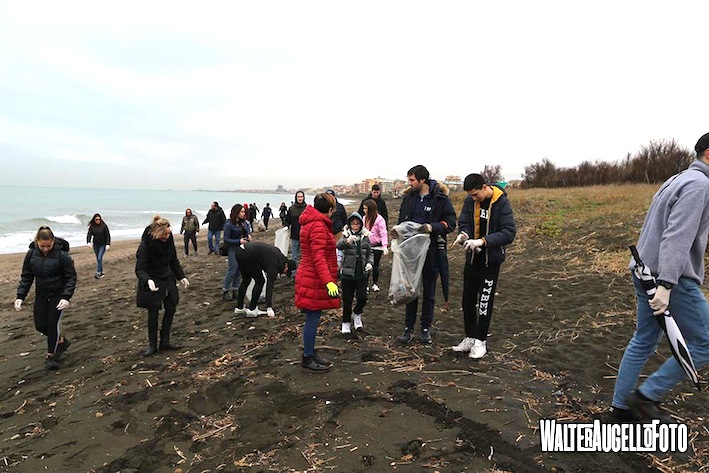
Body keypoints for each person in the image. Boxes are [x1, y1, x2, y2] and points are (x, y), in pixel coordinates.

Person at [610, 133, 709, 422]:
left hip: (644, 272)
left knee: (643, 339)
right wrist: (666, 284)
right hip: (668, 280)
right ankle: (644, 396)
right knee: (706, 342)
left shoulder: (677, 179)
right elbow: (676, 236)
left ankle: (621, 409)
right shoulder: (700, 185)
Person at [451, 173, 516, 359]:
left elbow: (509, 232)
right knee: (467, 300)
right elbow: (464, 221)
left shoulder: (501, 203)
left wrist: (482, 241)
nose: (473, 198)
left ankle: (481, 341)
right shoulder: (469, 202)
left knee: (484, 301)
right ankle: (470, 337)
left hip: (491, 260)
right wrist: (464, 234)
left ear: (485, 187)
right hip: (472, 259)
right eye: (470, 195)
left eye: (475, 195)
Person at [397, 165, 456, 345]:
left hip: (432, 252)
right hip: (411, 252)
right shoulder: (409, 198)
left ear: (422, 180)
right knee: (411, 290)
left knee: (429, 291)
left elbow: (451, 223)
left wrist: (434, 227)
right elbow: (402, 221)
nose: (410, 183)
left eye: (412, 180)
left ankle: (425, 329)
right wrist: (397, 232)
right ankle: (408, 328)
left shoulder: (440, 198)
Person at [15, 227, 77, 370]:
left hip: (58, 295)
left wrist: (66, 297)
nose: (45, 249)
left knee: (52, 324)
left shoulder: (63, 256)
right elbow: (27, 276)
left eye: (48, 246)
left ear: (53, 241)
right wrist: (20, 296)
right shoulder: (31, 255)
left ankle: (51, 356)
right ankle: (60, 341)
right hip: (41, 294)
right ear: (37, 242)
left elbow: (71, 277)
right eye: (42, 246)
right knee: (40, 325)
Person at [295, 192, 340, 372]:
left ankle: (310, 353)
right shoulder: (319, 226)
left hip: (309, 274)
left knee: (313, 317)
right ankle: (307, 357)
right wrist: (329, 282)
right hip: (313, 277)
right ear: (329, 210)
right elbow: (318, 257)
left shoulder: (311, 223)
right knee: (312, 318)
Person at [135, 216, 190, 356]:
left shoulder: (169, 239)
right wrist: (147, 280)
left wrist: (181, 276)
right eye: (165, 234)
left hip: (167, 277)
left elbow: (173, 260)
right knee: (153, 312)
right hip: (152, 278)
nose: (167, 235)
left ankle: (165, 340)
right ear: (157, 232)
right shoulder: (145, 245)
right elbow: (140, 268)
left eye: (169, 233)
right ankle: (152, 345)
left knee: (171, 307)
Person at [234, 242, 297, 318]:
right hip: (247, 254)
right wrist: (269, 307)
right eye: (286, 272)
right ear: (286, 266)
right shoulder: (274, 265)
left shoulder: (278, 255)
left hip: (240, 250)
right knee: (260, 281)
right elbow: (269, 285)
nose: (284, 273)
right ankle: (252, 309)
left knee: (246, 280)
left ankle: (239, 308)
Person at [337, 212, 374, 335]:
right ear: (349, 224)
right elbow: (338, 245)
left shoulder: (365, 236)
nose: (355, 226)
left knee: (362, 298)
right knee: (347, 301)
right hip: (348, 274)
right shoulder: (345, 235)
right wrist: (347, 241)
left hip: (361, 274)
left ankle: (357, 314)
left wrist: (370, 263)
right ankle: (346, 322)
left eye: (357, 223)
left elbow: (370, 253)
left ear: (361, 224)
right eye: (353, 224)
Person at [222, 204, 251, 301]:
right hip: (233, 249)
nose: (243, 214)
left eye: (244, 212)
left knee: (239, 271)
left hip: (243, 249)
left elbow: (246, 232)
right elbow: (226, 239)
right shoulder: (229, 224)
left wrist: (248, 237)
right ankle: (225, 290)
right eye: (241, 212)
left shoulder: (244, 223)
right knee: (232, 270)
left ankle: (235, 290)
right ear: (236, 213)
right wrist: (239, 241)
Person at [362, 199, 388, 292]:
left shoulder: (379, 219)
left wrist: (384, 245)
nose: (364, 210)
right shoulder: (365, 218)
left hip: (377, 245)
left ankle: (375, 284)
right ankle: (365, 284)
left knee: (375, 265)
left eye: (365, 208)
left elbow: (383, 233)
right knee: (366, 265)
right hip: (367, 245)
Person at [86, 213, 111, 279]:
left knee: (99, 258)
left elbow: (108, 235)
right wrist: (88, 242)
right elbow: (89, 235)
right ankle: (101, 272)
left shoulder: (104, 226)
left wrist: (108, 244)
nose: (98, 221)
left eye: (99, 219)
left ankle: (98, 272)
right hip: (96, 244)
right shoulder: (92, 227)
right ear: (94, 220)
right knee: (98, 259)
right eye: (96, 219)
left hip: (103, 244)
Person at [286, 191, 307, 264]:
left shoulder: (307, 208)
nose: (300, 198)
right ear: (296, 198)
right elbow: (287, 220)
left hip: (306, 235)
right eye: (298, 197)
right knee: (294, 255)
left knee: (305, 255)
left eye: (301, 197)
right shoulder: (291, 208)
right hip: (295, 235)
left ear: (304, 197)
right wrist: (286, 226)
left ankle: (305, 272)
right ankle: (294, 272)